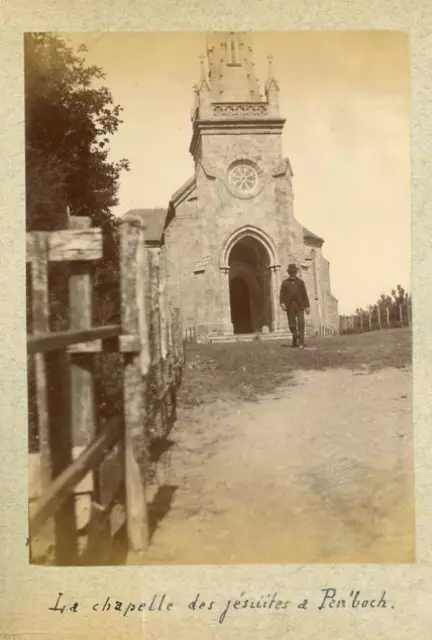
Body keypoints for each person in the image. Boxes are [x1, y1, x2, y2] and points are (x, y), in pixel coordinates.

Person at [279, 263, 310, 348]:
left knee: (301, 323)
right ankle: (295, 336)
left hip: (300, 305)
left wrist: (307, 306)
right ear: (289, 273)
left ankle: (301, 343)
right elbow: (281, 295)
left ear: (296, 273)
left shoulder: (301, 283)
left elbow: (305, 294)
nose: (293, 274)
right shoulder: (285, 283)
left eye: (294, 273)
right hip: (289, 305)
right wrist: (282, 303)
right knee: (292, 324)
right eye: (291, 273)